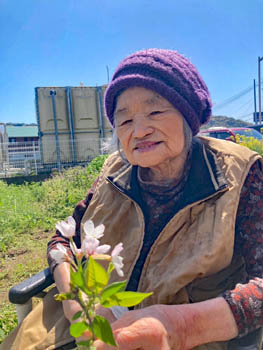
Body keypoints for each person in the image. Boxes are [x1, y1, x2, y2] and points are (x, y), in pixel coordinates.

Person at [2, 48, 263, 350]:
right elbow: (62, 240)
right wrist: (75, 299)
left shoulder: (239, 173)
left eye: (155, 112)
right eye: (124, 121)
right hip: (90, 323)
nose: (139, 131)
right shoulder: (114, 170)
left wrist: (181, 327)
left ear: (188, 116)